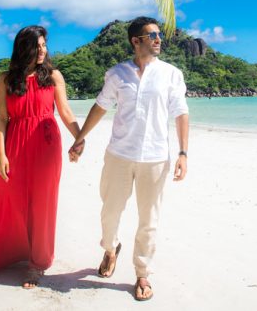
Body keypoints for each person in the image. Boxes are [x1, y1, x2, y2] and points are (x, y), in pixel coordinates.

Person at [69, 16, 189, 302]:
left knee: (149, 219)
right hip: (119, 155)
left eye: (159, 34)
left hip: (156, 158)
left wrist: (183, 152)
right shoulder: (117, 73)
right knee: (109, 213)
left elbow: (181, 112)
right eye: (152, 35)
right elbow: (101, 106)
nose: (159, 39)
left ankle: (142, 272)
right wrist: (80, 137)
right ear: (136, 41)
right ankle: (111, 249)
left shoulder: (171, 73)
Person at [0, 26, 81, 288]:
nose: (42, 50)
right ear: (23, 47)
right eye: (37, 45)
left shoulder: (54, 76)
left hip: (46, 143)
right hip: (15, 141)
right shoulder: (6, 79)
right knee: (10, 201)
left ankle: (37, 264)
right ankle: (9, 254)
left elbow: (66, 112)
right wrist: (1, 154)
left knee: (42, 204)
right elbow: (2, 118)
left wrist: (79, 137)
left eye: (44, 45)